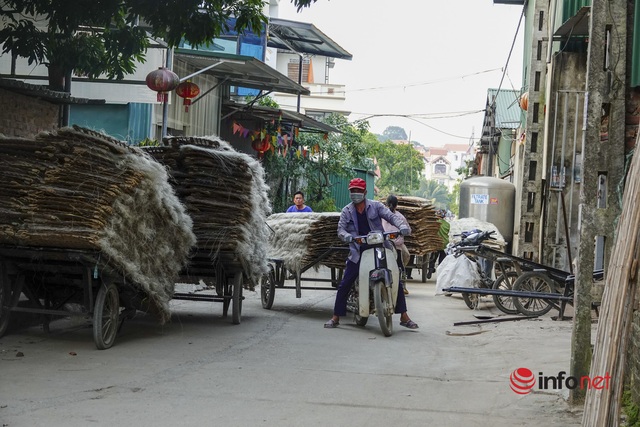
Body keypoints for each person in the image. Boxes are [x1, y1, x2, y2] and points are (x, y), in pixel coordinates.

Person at [324, 178, 419, 329]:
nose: (356, 193)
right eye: (353, 191)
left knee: (394, 276)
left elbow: (391, 216)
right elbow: (340, 229)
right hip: (358, 251)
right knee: (345, 283)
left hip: (380, 247)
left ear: (365, 192)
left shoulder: (376, 206)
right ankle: (335, 317)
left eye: (358, 191)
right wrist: (346, 235)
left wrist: (402, 226)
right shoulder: (347, 211)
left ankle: (404, 316)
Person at [382, 195, 411, 295]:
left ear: (386, 204)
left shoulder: (382, 214)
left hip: (383, 243)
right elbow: (408, 230)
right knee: (402, 261)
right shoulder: (400, 217)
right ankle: (402, 286)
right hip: (396, 244)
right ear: (396, 205)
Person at [427, 209, 450, 279]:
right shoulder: (447, 224)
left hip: (436, 243)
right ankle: (440, 273)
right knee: (442, 259)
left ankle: (430, 269)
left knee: (433, 258)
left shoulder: (434, 223)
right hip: (444, 244)